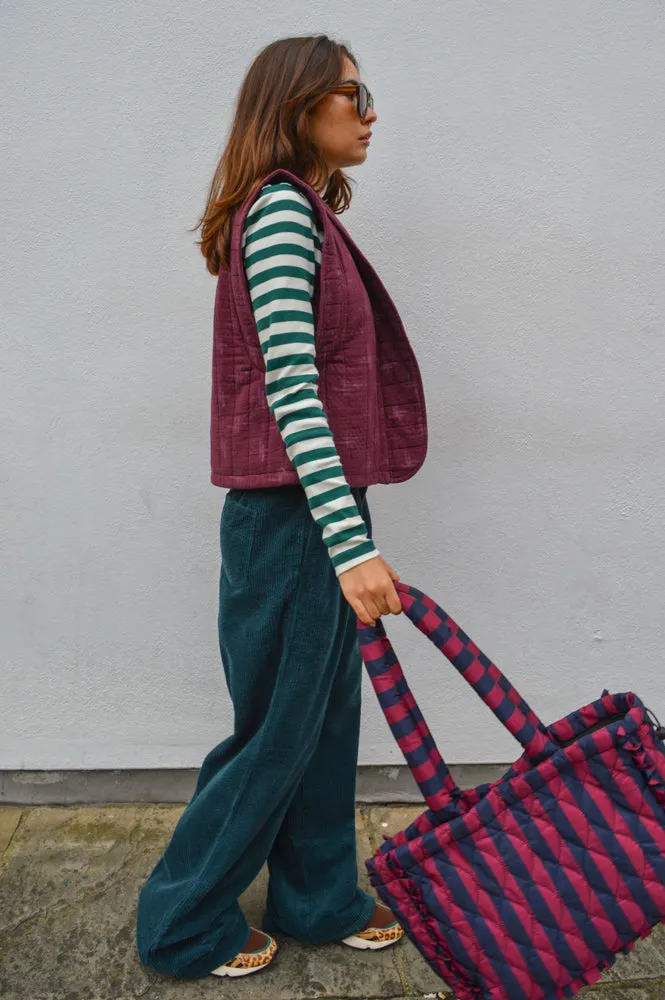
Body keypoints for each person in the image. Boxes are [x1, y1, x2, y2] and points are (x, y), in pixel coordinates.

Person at [135, 33, 428, 980]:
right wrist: (349, 548)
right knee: (273, 732)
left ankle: (314, 897)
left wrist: (344, 535)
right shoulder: (280, 218)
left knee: (322, 720)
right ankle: (181, 923)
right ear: (297, 106)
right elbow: (291, 390)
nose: (368, 109)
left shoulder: (299, 213)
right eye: (352, 92)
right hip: (298, 524)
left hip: (314, 519)